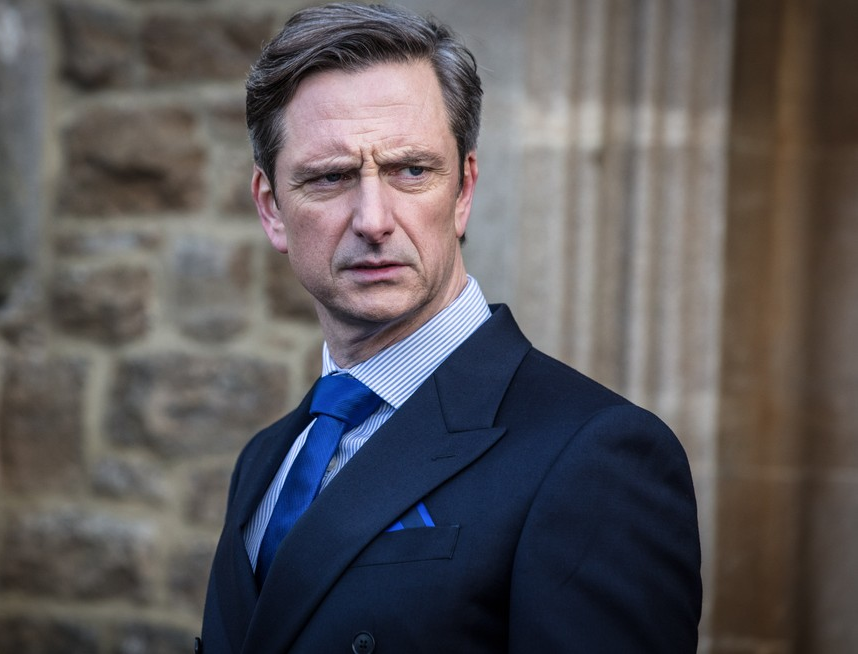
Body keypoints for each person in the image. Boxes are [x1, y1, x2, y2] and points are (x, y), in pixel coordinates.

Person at [197, 3, 702, 653]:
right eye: (330, 177)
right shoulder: (267, 458)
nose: (374, 220)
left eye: (411, 170)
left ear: (463, 191)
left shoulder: (595, 456)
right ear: (272, 209)